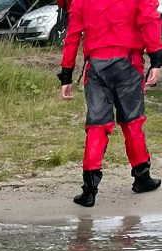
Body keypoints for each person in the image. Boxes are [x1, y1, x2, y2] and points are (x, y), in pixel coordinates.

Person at [59, 0, 162, 206]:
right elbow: (150, 20)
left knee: (97, 125)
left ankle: (89, 190)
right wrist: (156, 60)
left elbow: (72, 36)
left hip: (96, 67)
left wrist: (66, 75)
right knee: (132, 122)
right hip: (128, 63)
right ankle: (141, 177)